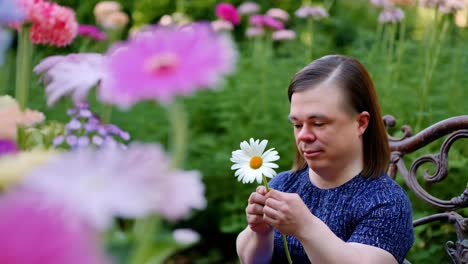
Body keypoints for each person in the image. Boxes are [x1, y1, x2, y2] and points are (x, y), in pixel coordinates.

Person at [236, 55, 414, 264]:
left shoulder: (385, 202)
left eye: (318, 123)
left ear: (361, 123)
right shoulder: (283, 185)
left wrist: (306, 227)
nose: (303, 136)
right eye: (297, 125)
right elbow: (252, 260)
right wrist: (259, 232)